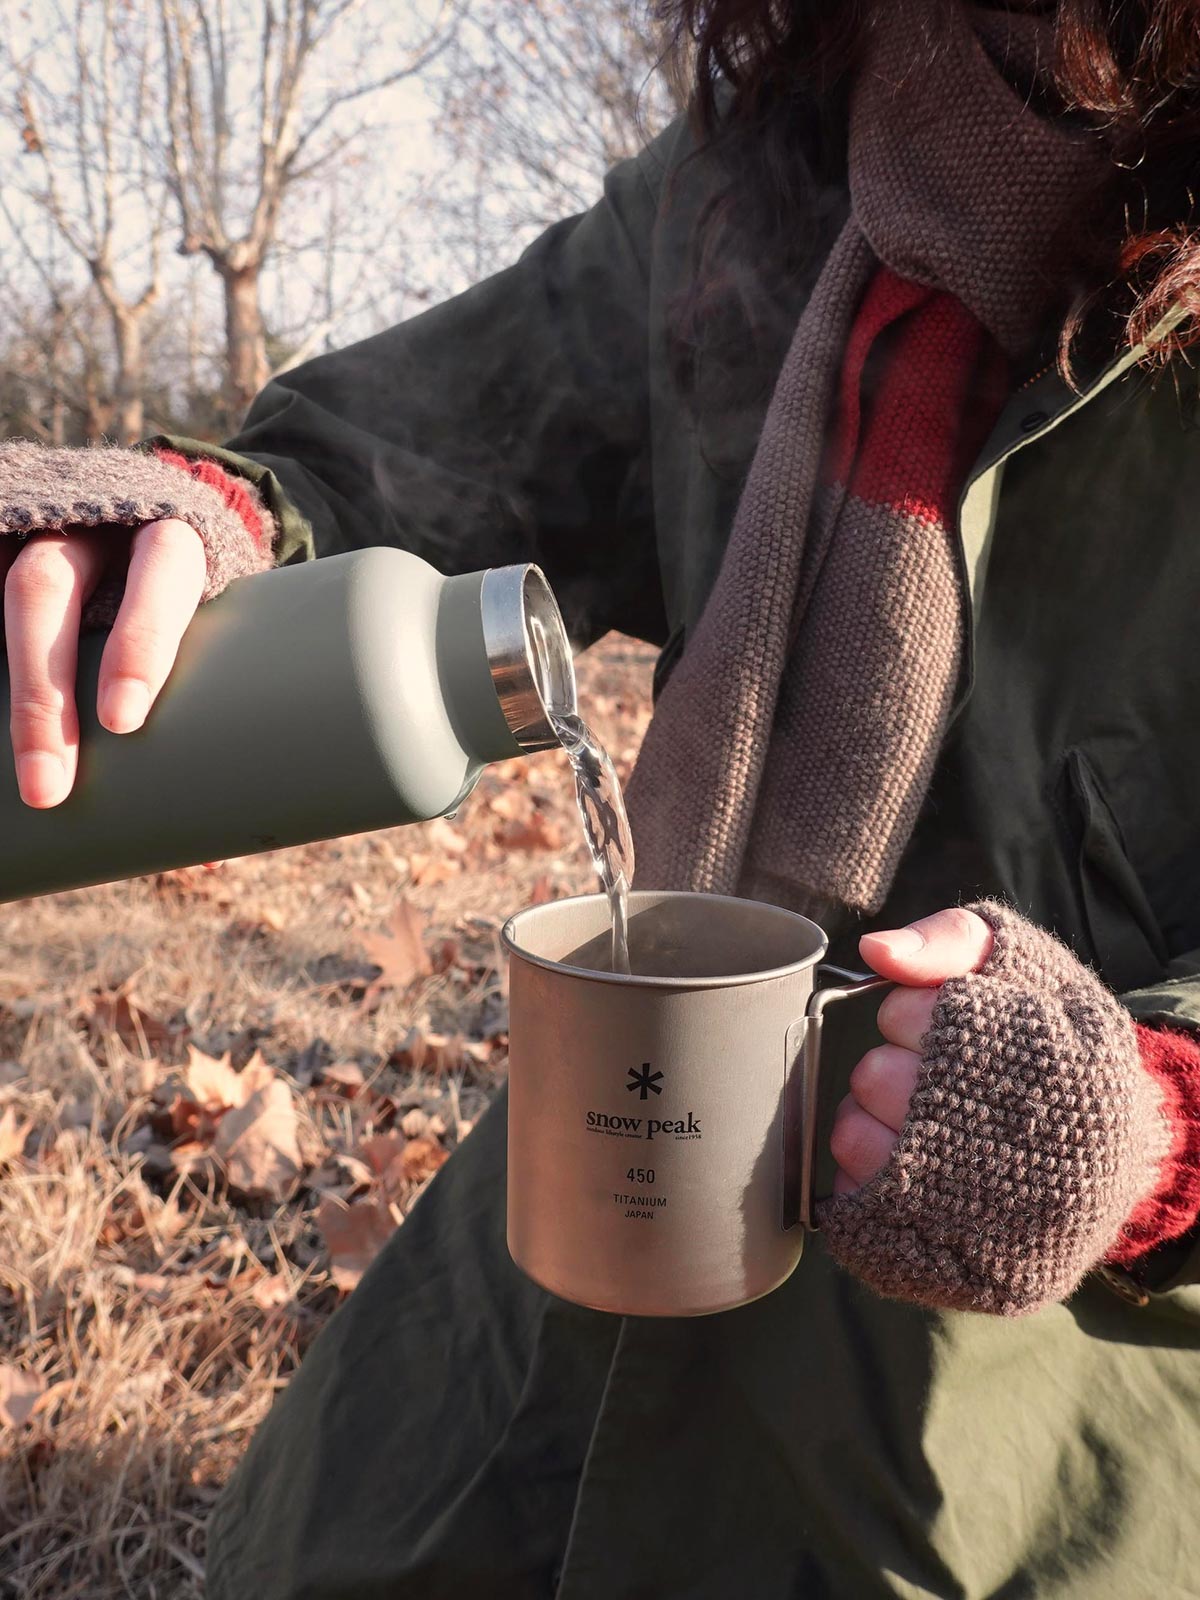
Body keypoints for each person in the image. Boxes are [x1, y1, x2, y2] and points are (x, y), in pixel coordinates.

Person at [1, 0, 1199, 1592]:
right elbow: (404, 447)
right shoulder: (754, 174)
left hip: (1029, 1388)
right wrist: (203, 509)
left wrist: (1153, 1129)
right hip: (591, 1212)